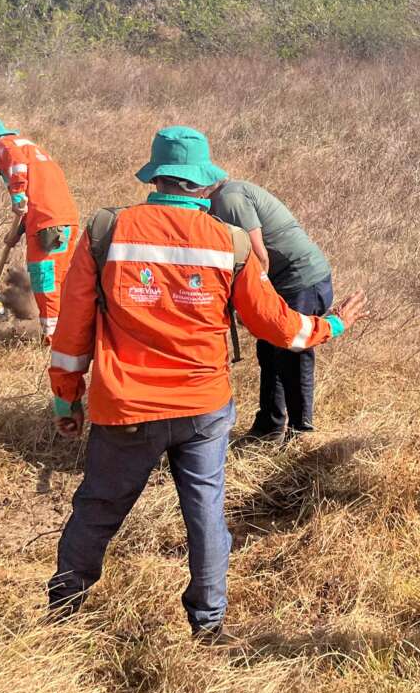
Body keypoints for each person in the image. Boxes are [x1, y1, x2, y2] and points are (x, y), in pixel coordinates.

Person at [45, 126, 367, 637]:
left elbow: (72, 328)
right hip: (202, 409)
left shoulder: (106, 231)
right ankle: (209, 625)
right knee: (205, 515)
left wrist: (67, 400)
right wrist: (332, 325)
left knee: (98, 507)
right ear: (202, 182)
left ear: (156, 177)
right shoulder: (231, 243)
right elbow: (278, 326)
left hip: (125, 407)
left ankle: (62, 610)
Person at [208, 177, 333, 441]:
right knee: (269, 351)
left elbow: (259, 256)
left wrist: (252, 303)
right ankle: (269, 425)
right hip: (281, 281)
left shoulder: (228, 199)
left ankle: (301, 432)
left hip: (300, 280)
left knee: (292, 350)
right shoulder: (219, 200)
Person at [0, 118, 80, 340]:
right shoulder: (32, 149)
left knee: (45, 277)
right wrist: (17, 232)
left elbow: (18, 168)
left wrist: (18, 195)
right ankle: (69, 331)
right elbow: (37, 196)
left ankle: (52, 336)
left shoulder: (6, 144)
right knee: (61, 279)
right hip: (63, 219)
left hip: (48, 223)